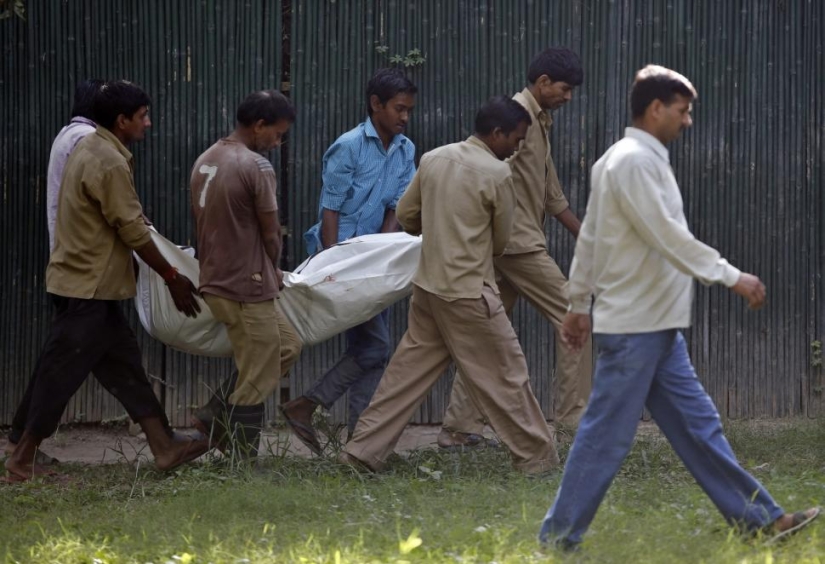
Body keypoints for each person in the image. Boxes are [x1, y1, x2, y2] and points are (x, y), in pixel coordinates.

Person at [538, 65, 820, 549]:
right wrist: (732, 275)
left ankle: (761, 520)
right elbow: (668, 237)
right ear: (655, 109)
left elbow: (591, 241)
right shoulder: (633, 163)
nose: (688, 121)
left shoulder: (621, 159)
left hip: (656, 325)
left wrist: (579, 304)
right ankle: (558, 539)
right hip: (635, 327)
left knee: (699, 428)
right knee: (605, 438)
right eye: (683, 111)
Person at [339, 96, 559, 475]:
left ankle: (362, 451)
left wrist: (441, 229)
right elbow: (502, 241)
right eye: (516, 139)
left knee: (404, 376)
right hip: (470, 293)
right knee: (507, 374)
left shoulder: (434, 158)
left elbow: (408, 216)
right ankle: (538, 460)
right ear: (496, 133)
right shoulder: (498, 174)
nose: (518, 148)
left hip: (428, 288)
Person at [4, 80, 208, 482]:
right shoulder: (109, 160)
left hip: (92, 286)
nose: (148, 124)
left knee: (126, 370)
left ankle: (165, 447)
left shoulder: (90, 147)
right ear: (122, 120)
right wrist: (171, 276)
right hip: (87, 289)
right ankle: (21, 460)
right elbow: (131, 228)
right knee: (58, 376)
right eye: (143, 117)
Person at [438, 47, 593, 449]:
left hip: (509, 246)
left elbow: (551, 193)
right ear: (542, 83)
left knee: (488, 334)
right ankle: (573, 425)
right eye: (564, 88)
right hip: (517, 245)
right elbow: (486, 171)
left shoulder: (540, 122)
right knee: (575, 316)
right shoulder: (514, 121)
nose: (568, 96)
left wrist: (587, 235)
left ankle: (458, 428)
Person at [278, 68, 417, 452]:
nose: (404, 117)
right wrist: (332, 265)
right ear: (376, 105)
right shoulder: (349, 146)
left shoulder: (406, 150)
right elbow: (331, 209)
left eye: (409, 110)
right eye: (398, 109)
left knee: (370, 349)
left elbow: (396, 208)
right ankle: (311, 407)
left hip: (375, 263)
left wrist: (383, 256)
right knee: (374, 348)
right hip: (340, 261)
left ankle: (357, 436)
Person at [188, 90, 302, 459]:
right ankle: (241, 458)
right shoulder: (256, 165)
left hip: (216, 279)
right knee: (259, 371)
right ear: (259, 126)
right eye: (277, 133)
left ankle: (213, 414)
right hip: (246, 284)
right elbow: (271, 232)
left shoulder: (207, 158)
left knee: (287, 346)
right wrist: (274, 268)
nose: (278, 141)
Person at [4, 79, 103, 465]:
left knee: (111, 361)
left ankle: (162, 439)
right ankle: (21, 446)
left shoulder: (69, 134)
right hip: (82, 273)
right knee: (59, 362)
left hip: (77, 269)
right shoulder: (86, 141)